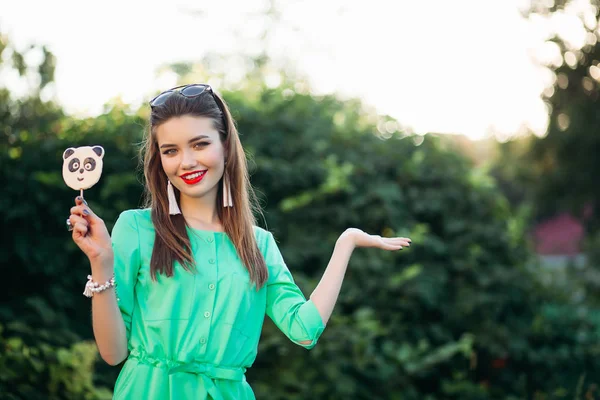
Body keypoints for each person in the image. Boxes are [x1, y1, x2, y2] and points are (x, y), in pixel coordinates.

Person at [67, 83, 412, 399]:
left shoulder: (258, 245)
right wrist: (101, 264)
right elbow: (113, 353)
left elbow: (304, 330)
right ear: (159, 159)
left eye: (200, 144)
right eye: (171, 150)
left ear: (226, 146)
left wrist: (347, 242)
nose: (186, 162)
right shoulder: (137, 228)